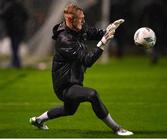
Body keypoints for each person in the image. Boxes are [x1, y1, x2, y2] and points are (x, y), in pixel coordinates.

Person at [29, 3, 133, 136]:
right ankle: (117, 129)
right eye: (81, 19)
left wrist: (108, 29)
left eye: (83, 18)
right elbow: (87, 61)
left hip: (75, 81)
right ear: (71, 20)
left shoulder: (79, 28)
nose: (84, 21)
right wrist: (102, 44)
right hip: (65, 86)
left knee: (69, 110)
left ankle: (38, 120)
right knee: (92, 95)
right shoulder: (64, 39)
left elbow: (94, 33)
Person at [0, 0, 28, 68]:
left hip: (13, 29)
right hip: (20, 29)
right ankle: (16, 63)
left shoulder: (9, 5)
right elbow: (26, 16)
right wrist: (21, 23)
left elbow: (3, 14)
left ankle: (16, 63)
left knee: (14, 47)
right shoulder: (19, 5)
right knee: (15, 47)